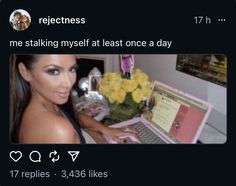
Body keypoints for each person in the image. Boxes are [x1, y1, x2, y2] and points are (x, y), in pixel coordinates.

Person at [10, 54, 137, 144]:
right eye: (54, 71)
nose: (68, 83)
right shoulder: (58, 129)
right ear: (25, 72)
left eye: (72, 69)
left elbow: (74, 116)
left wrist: (106, 130)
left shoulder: (47, 103)